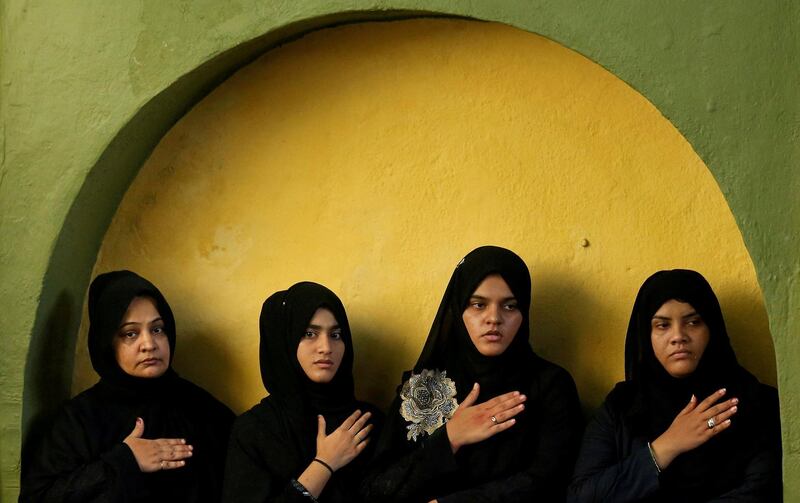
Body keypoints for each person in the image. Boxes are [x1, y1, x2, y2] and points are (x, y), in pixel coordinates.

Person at [361, 245, 583, 502]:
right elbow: (373, 490)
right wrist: (449, 439)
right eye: (478, 304)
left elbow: (551, 481)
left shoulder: (549, 386)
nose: (494, 318)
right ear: (458, 310)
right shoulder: (423, 389)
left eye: (509, 306)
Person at [19, 270, 235, 502]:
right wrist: (124, 461)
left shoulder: (203, 410)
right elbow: (38, 497)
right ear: (107, 343)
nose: (149, 344)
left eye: (157, 329)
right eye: (130, 334)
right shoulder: (80, 420)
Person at [568, 269, 782, 502]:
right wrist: (666, 446)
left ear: (712, 328)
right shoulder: (623, 407)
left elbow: (761, 491)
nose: (678, 336)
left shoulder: (756, 403)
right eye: (662, 325)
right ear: (645, 335)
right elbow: (582, 497)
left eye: (693, 322)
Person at [222, 282, 381, 502]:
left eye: (335, 334)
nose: (326, 347)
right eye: (309, 334)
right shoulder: (256, 430)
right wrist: (324, 464)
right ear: (283, 340)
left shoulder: (366, 422)